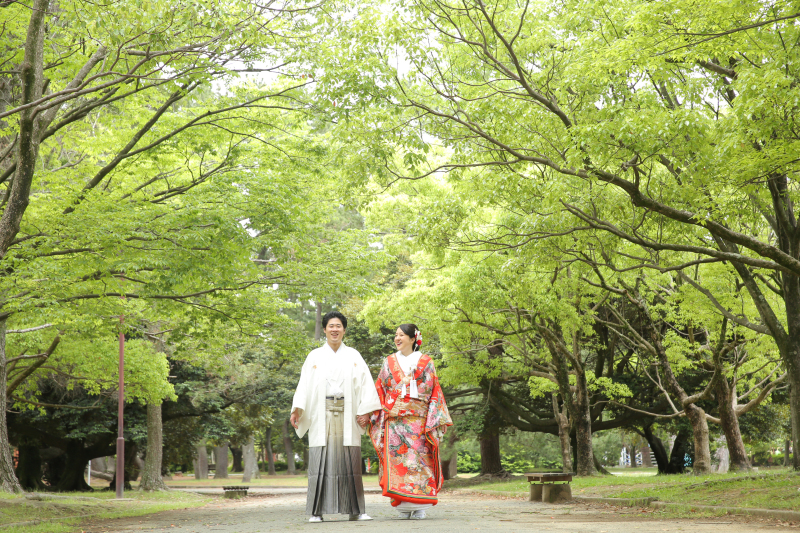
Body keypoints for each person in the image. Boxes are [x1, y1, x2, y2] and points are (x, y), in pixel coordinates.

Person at [290, 311, 382, 523]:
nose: (334, 329)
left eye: (338, 326)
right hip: (321, 414)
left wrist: (365, 411)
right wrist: (297, 409)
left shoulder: (354, 355)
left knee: (351, 461)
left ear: (344, 329)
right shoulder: (314, 356)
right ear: (324, 329)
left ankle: (356, 510)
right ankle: (316, 511)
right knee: (319, 461)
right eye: (330, 326)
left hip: (348, 413)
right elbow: (304, 385)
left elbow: (366, 384)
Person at [369, 323, 453, 520]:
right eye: (396, 335)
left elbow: (433, 390)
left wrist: (428, 416)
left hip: (418, 421)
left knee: (418, 462)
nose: (397, 339)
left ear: (413, 338)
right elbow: (380, 388)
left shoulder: (426, 362)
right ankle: (403, 506)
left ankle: (420, 506)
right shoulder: (388, 361)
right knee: (398, 462)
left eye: (401, 335)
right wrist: (372, 412)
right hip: (394, 421)